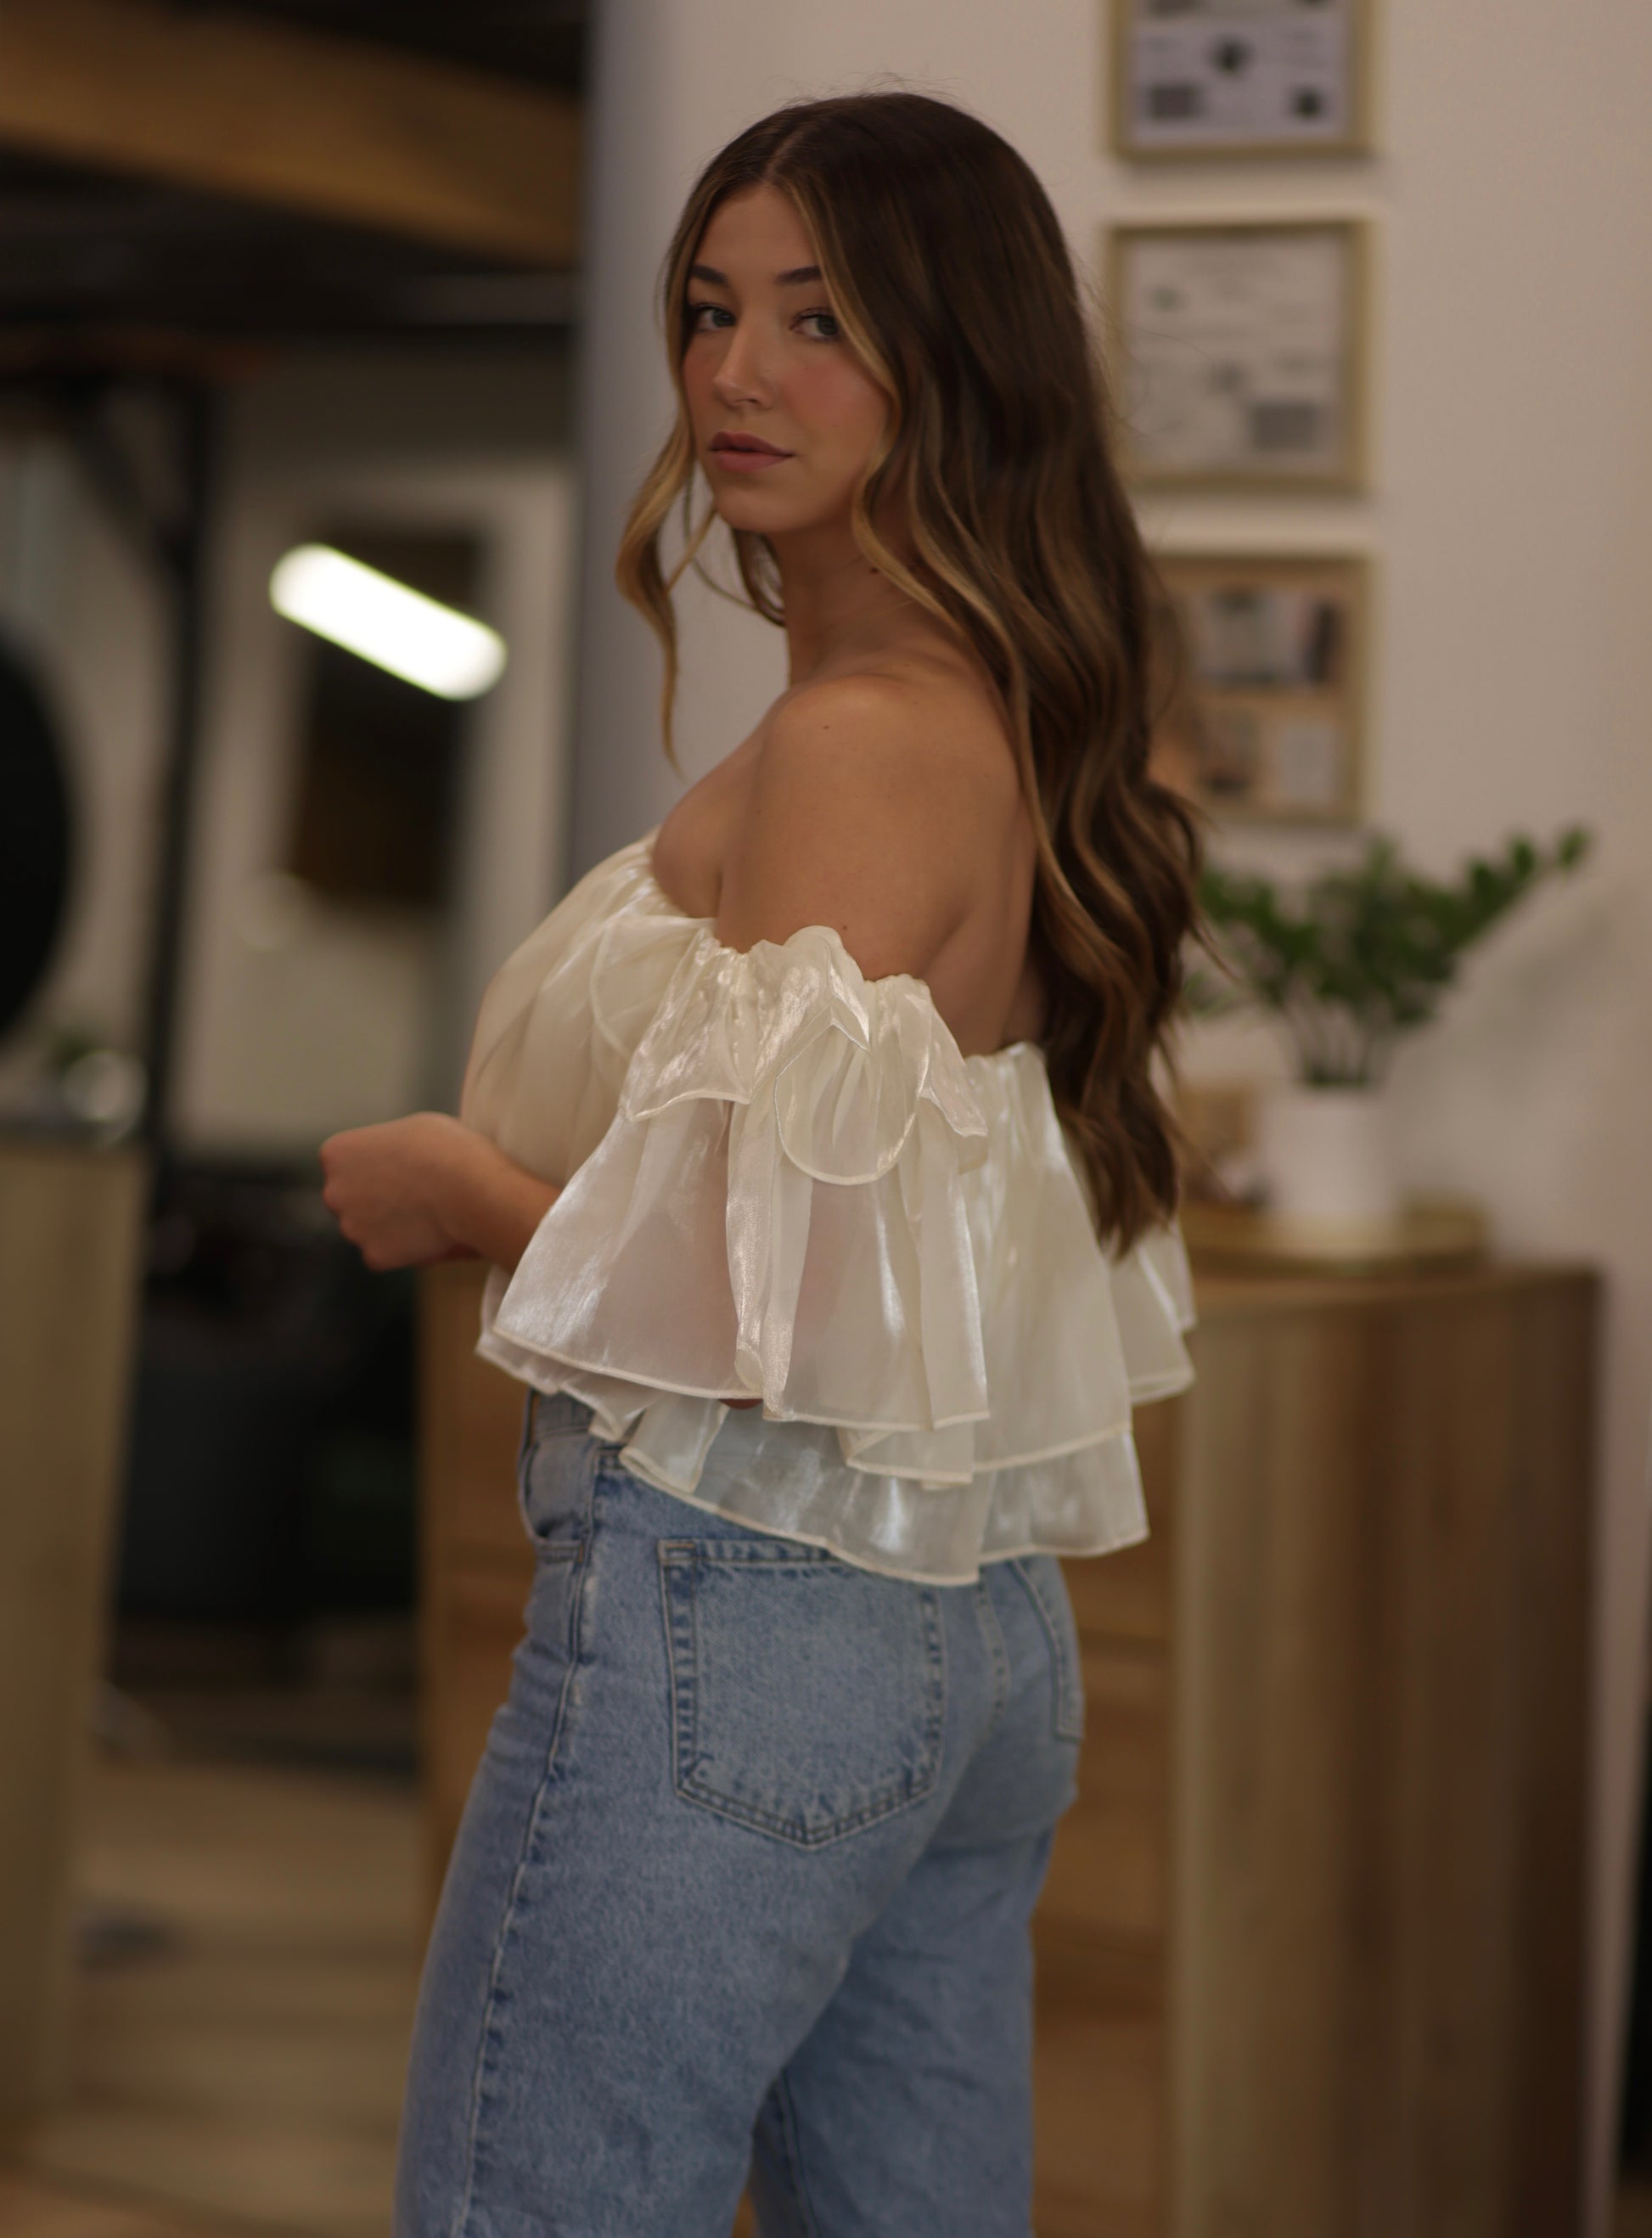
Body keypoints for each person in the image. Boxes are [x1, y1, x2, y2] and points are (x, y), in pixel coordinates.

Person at [320, 89, 1205, 2238]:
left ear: (952, 359)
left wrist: (456, 1191)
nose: (736, 372)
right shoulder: (994, 711)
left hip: (745, 1614)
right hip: (962, 1635)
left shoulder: (856, 742)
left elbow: (756, 1300)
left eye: (820, 319)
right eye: (712, 310)